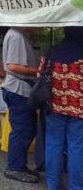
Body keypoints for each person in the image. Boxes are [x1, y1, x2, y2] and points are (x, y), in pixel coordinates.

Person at [43, 27, 83, 190]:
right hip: (79, 109)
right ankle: (76, 186)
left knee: (53, 144)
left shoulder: (52, 52)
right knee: (77, 147)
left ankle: (53, 184)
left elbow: (40, 74)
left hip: (54, 106)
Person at [1, 27, 39, 183]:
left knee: (27, 128)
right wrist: (38, 71)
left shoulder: (17, 34)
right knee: (22, 130)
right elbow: (13, 66)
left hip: (18, 89)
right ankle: (15, 168)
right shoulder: (17, 36)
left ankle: (19, 165)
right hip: (18, 89)